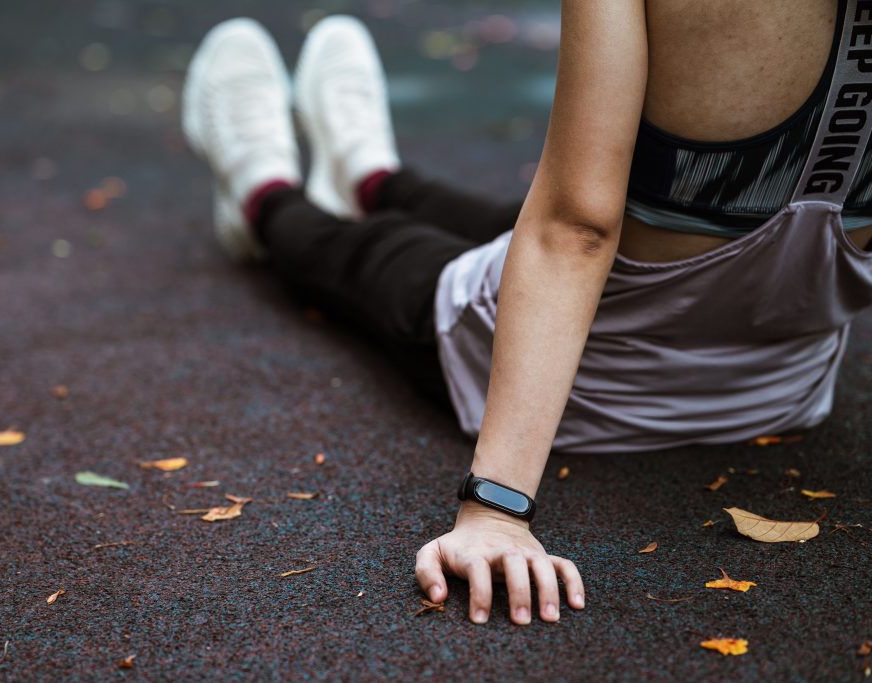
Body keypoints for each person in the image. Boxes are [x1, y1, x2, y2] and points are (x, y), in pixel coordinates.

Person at [182, 2, 872, 626]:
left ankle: (260, 190)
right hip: (784, 385)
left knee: (376, 255)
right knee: (543, 228)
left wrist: (497, 508)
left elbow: (575, 231)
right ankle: (373, 177)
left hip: (591, 391)